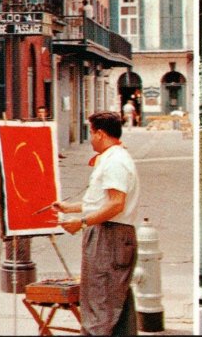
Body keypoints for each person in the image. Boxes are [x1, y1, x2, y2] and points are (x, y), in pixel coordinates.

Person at [52, 112, 141, 335]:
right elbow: (101, 202)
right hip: (112, 233)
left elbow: (115, 204)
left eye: (91, 133)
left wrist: (81, 222)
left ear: (100, 134)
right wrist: (68, 207)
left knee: (99, 301)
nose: (90, 138)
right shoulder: (114, 158)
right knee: (115, 299)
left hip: (110, 235)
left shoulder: (115, 162)